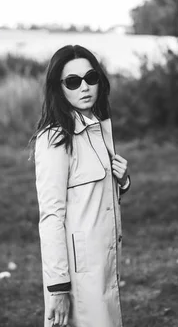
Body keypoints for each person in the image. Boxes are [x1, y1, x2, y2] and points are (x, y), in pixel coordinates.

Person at [29, 44, 131, 327]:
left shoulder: (97, 128)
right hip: (78, 273)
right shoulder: (54, 139)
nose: (84, 87)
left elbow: (95, 196)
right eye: (73, 82)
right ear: (58, 87)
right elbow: (51, 216)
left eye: (91, 77)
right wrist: (58, 288)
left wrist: (122, 181)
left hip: (104, 265)